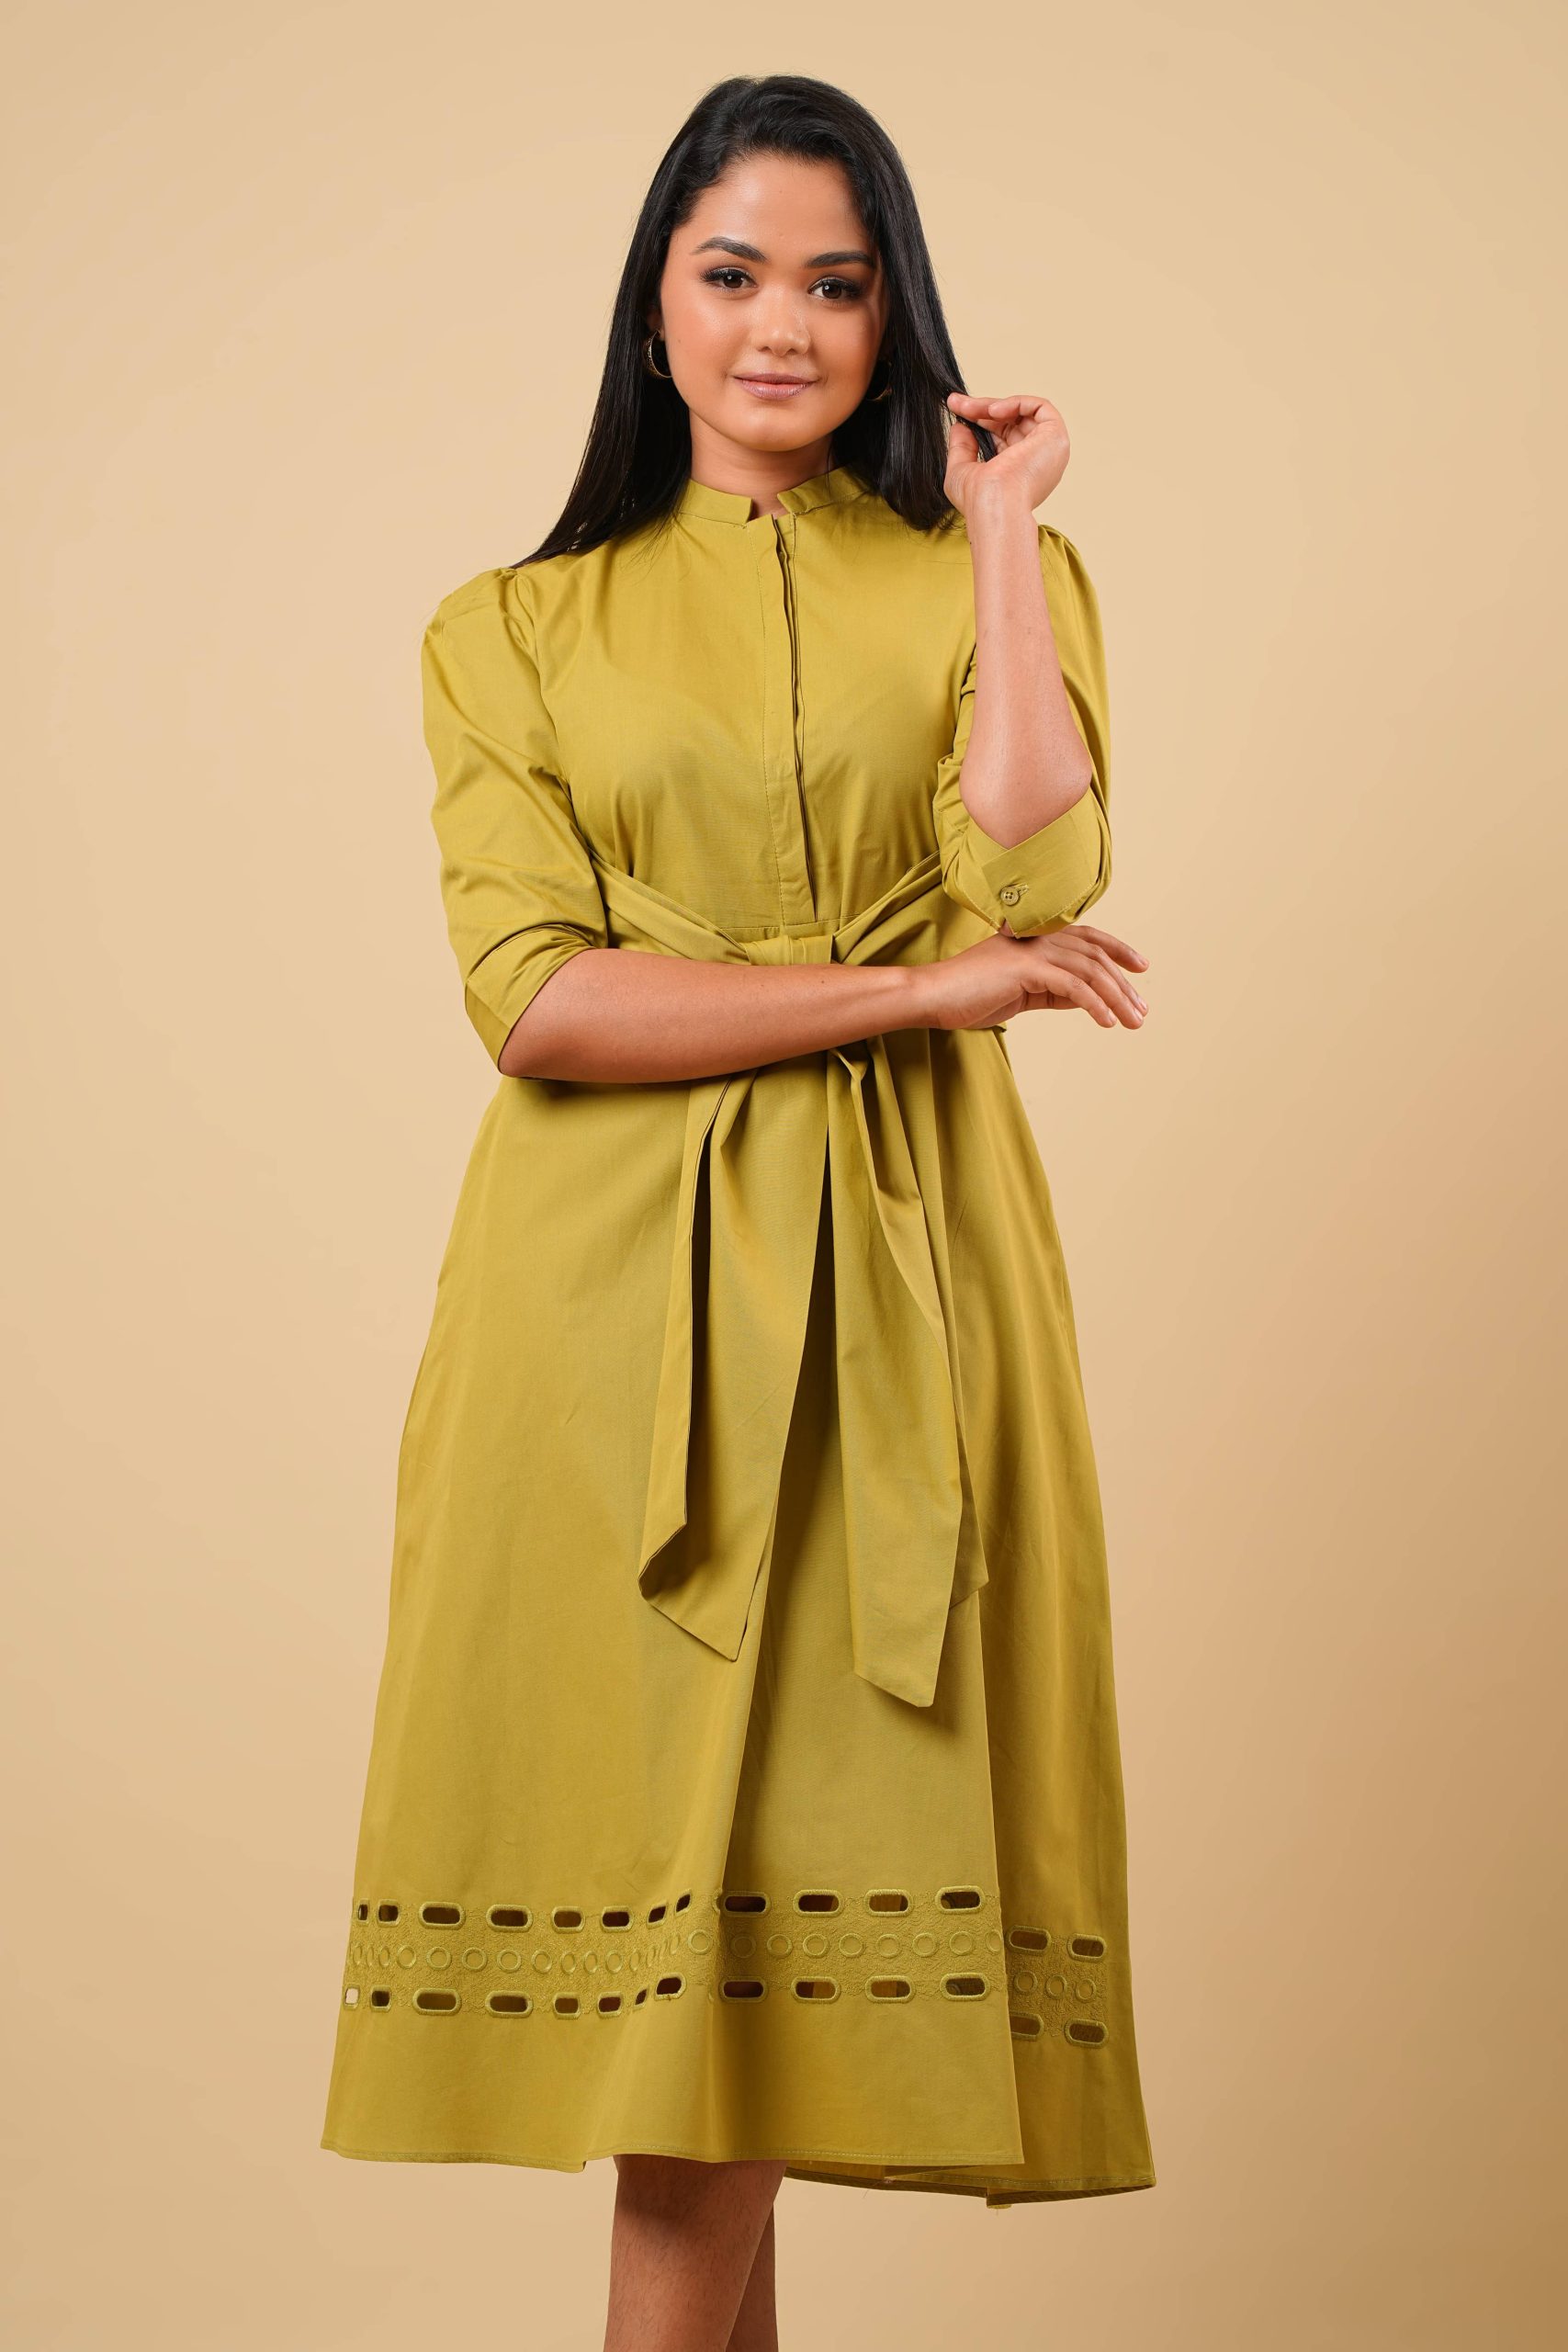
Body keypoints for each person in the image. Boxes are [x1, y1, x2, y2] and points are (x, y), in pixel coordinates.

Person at [320, 70, 1157, 2352]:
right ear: (653, 306)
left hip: (907, 1300)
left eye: (834, 281)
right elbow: (537, 1001)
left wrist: (1001, 533)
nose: (780, 324)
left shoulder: (991, 578)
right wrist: (912, 989)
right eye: (731, 273)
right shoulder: (510, 627)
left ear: (890, 317)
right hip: (600, 1326)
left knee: (762, 1970)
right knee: (693, 2001)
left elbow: (1036, 862)